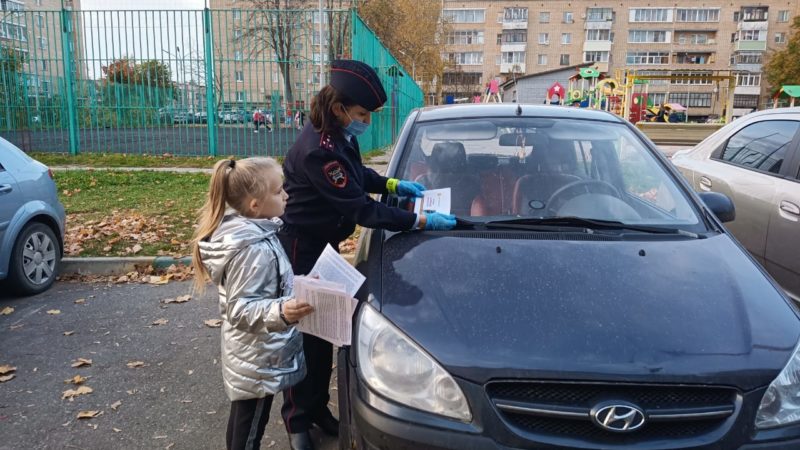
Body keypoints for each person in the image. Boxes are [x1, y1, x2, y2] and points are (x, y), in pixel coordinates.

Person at [278, 59, 456, 450]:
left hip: (323, 245)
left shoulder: (340, 133)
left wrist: (391, 182)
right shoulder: (318, 151)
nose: (366, 122)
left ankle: (319, 409)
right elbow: (361, 210)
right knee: (304, 336)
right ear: (340, 108)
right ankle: (296, 422)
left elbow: (357, 175)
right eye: (362, 115)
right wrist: (420, 221)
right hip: (301, 249)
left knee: (326, 331)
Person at [192, 157, 315, 450]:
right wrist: (282, 310)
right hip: (258, 356)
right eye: (277, 191)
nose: (286, 195)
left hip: (257, 352)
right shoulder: (252, 249)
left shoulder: (258, 232)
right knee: (249, 428)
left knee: (244, 420)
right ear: (254, 205)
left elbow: (266, 284)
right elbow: (239, 309)